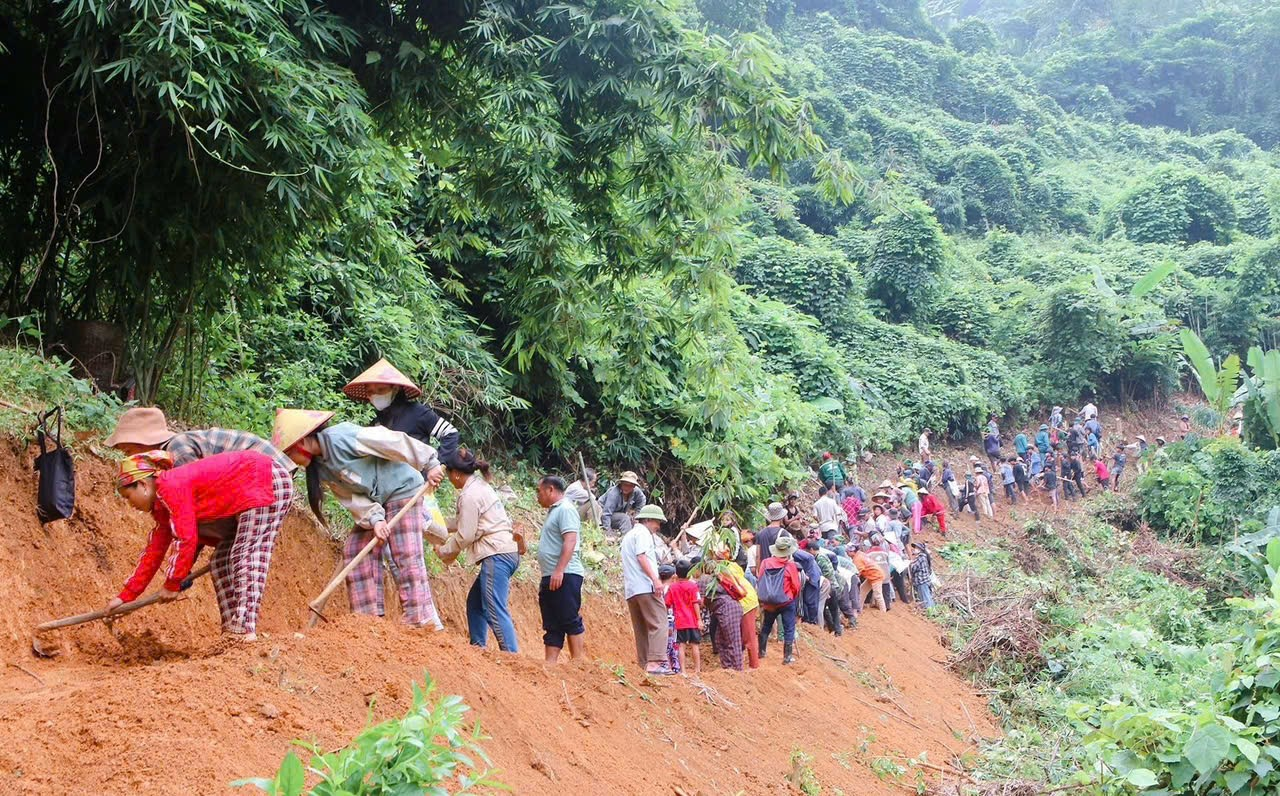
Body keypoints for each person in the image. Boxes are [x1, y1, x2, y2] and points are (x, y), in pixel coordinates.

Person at [274, 408, 445, 630]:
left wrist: (429, 463)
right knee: (355, 549)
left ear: (303, 443)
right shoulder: (321, 467)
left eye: (289, 454)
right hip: (378, 502)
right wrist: (375, 520)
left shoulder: (343, 437)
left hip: (402, 489)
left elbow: (392, 441)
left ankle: (418, 618)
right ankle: (368, 622)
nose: (292, 462)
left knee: (405, 552)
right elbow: (352, 498)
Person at [105, 449, 292, 642]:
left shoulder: (170, 486)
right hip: (249, 492)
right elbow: (155, 550)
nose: (130, 504)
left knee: (245, 554)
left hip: (264, 478)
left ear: (143, 484)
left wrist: (172, 583)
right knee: (220, 561)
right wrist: (125, 596)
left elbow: (186, 539)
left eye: (128, 496)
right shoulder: (162, 507)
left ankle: (245, 630)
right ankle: (231, 633)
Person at [436, 450, 520, 653]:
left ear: (456, 474)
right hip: (505, 551)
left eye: (448, 475)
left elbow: (465, 535)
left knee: (494, 609)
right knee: (475, 604)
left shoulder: (469, 495)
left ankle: (512, 657)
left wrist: (445, 551)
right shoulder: (480, 487)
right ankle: (478, 650)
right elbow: (465, 522)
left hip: (496, 553)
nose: (449, 479)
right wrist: (437, 524)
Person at [343, 358, 460, 472]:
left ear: (395, 388)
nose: (375, 395)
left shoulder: (417, 412)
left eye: (381, 389)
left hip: (416, 484)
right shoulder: (377, 420)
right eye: (370, 392)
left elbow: (450, 433)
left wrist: (437, 464)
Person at [106, 406, 294, 472]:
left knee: (243, 549)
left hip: (270, 467)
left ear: (143, 443)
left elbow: (195, 495)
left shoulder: (176, 449)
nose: (129, 458)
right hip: (268, 467)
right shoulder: (174, 450)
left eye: (128, 451)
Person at [534, 476, 586, 663]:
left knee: (568, 617)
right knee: (552, 622)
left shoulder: (565, 509)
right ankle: (550, 665)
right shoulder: (555, 511)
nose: (538, 496)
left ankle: (578, 662)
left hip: (565, 574)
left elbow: (570, 540)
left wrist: (560, 570)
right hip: (552, 574)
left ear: (550, 490)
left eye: (539, 491)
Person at [621, 505, 673, 675]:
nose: (658, 526)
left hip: (632, 589)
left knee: (642, 628)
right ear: (649, 520)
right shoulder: (643, 533)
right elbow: (641, 556)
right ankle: (655, 662)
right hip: (645, 586)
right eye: (658, 522)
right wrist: (656, 580)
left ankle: (644, 665)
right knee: (659, 622)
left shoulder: (629, 535)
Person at [757, 534, 802, 665]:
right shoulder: (790, 565)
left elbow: (760, 579)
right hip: (786, 601)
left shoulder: (765, 563)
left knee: (766, 626)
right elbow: (796, 586)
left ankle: (761, 652)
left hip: (769, 603)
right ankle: (787, 657)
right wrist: (790, 596)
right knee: (789, 628)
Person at [662, 558, 702, 675]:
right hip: (693, 621)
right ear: (689, 573)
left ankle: (683, 671)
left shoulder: (672, 587)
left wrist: (665, 619)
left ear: (676, 573)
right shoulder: (693, 586)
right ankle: (697, 670)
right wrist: (699, 619)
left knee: (681, 645)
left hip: (679, 621)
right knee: (695, 644)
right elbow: (696, 603)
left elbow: (667, 604)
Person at [600, 471, 646, 536]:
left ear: (634, 486)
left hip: (617, 515)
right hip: (603, 515)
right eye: (625, 485)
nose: (627, 487)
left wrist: (636, 514)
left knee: (633, 520)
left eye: (630, 486)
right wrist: (608, 532)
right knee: (624, 518)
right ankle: (626, 539)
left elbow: (642, 500)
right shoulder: (614, 493)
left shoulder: (636, 491)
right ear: (621, 483)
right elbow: (606, 514)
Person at [852, 542, 886, 612]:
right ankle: (859, 609)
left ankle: (883, 611)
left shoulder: (857, 559)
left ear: (852, 552)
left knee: (878, 595)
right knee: (862, 590)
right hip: (872, 575)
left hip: (876, 576)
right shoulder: (860, 553)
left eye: (848, 551)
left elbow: (858, 573)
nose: (847, 553)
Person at [909, 543, 936, 609]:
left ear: (920, 549)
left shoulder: (921, 557)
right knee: (927, 596)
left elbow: (914, 568)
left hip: (921, 581)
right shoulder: (923, 557)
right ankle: (932, 610)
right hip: (924, 580)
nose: (914, 550)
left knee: (925, 597)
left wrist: (911, 564)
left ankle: (930, 610)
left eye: (916, 548)